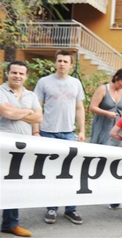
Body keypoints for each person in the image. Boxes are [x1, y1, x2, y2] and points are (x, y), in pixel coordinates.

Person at [32, 49, 85, 225]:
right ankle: (51, 208)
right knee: (52, 173)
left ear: (71, 64)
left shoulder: (76, 83)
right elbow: (36, 108)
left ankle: (71, 209)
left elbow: (79, 108)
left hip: (69, 133)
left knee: (71, 172)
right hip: (48, 132)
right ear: (55, 62)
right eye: (59, 61)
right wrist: (36, 131)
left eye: (65, 61)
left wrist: (82, 130)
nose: (62, 64)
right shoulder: (44, 82)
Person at [0, 60, 43, 237]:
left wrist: (19, 111)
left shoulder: (30, 95)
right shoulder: (1, 91)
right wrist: (28, 112)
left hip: (22, 147)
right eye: (14, 72)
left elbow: (39, 118)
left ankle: (10, 223)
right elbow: (6, 113)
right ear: (7, 74)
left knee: (14, 184)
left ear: (26, 76)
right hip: (3, 145)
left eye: (21, 73)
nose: (17, 76)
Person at [90, 68, 122, 147]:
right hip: (102, 125)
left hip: (117, 127)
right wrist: (107, 113)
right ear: (116, 78)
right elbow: (92, 107)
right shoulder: (103, 89)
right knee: (100, 148)